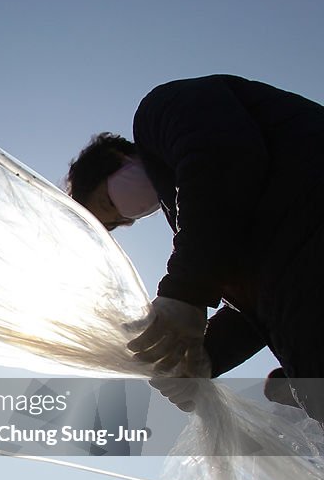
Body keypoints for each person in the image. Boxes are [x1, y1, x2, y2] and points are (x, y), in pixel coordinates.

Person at [66, 75, 324, 422]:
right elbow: (256, 302)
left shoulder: (162, 110)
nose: (126, 216)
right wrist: (204, 356)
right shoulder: (209, 224)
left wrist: (185, 291)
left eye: (108, 203)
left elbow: (224, 155)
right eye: (121, 221)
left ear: (113, 158)